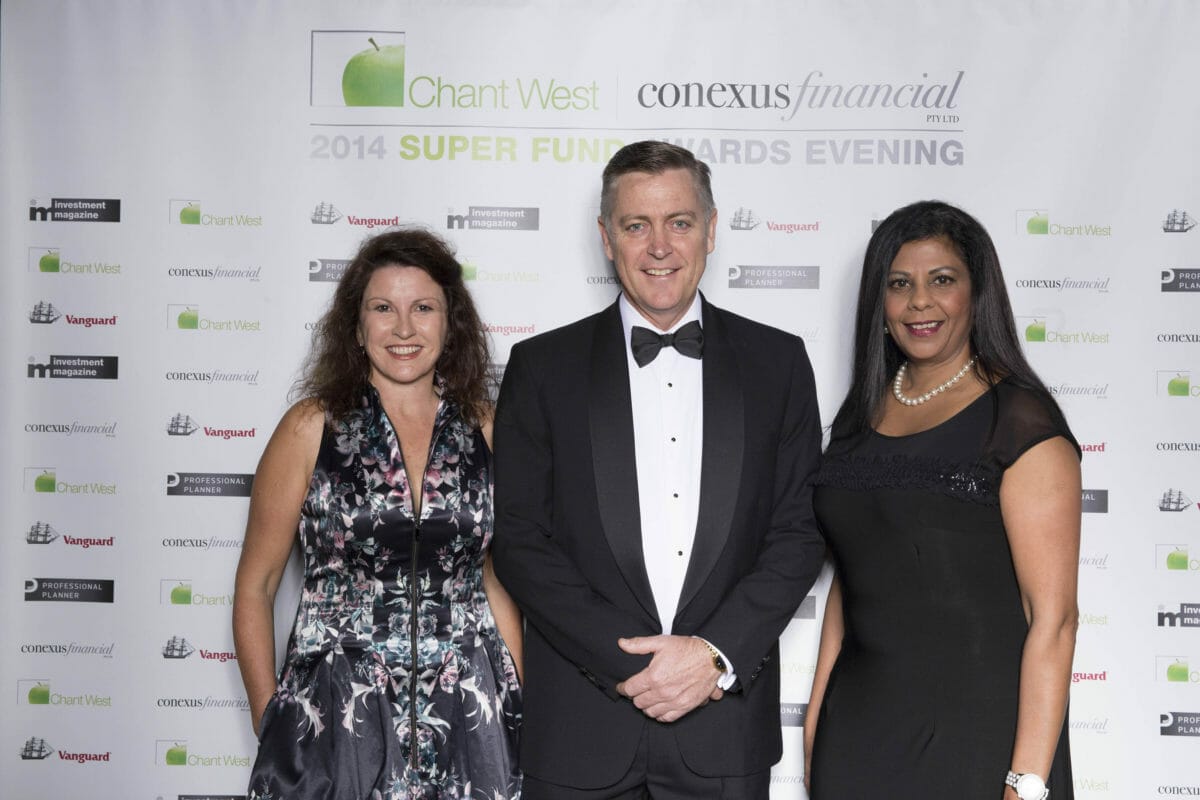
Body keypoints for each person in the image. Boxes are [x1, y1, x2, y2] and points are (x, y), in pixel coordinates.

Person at [491, 140, 825, 799]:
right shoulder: (542, 368)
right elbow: (521, 543)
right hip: (582, 733)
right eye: (636, 225)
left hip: (723, 732)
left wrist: (711, 655)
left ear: (711, 229)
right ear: (606, 238)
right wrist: (632, 664)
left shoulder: (778, 363)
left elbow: (799, 533)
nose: (660, 247)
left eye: (679, 222)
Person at [232, 228, 523, 799]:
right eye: (383, 308)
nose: (404, 328)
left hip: (469, 716)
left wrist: (516, 706)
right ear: (356, 324)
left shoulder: (486, 428)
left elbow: (493, 581)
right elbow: (256, 586)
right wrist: (274, 722)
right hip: (336, 722)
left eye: (424, 308)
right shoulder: (310, 427)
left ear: (451, 322)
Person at [803, 200, 1080, 799]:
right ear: (879, 303)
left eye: (942, 280)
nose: (919, 302)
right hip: (858, 732)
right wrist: (816, 723)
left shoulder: (1018, 421)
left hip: (977, 737)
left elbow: (1054, 621)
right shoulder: (858, 418)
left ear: (977, 295)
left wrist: (1027, 782)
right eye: (899, 284)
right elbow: (852, 582)